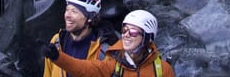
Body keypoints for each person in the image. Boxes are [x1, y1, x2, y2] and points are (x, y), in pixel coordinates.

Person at [42, 10, 175, 77]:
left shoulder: (162, 70)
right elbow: (83, 68)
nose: (126, 35)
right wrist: (57, 57)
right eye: (124, 30)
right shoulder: (114, 63)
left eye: (133, 32)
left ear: (147, 38)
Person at [43, 0, 119, 77]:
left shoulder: (106, 50)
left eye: (74, 11)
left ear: (90, 18)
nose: (67, 15)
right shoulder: (57, 41)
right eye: (67, 10)